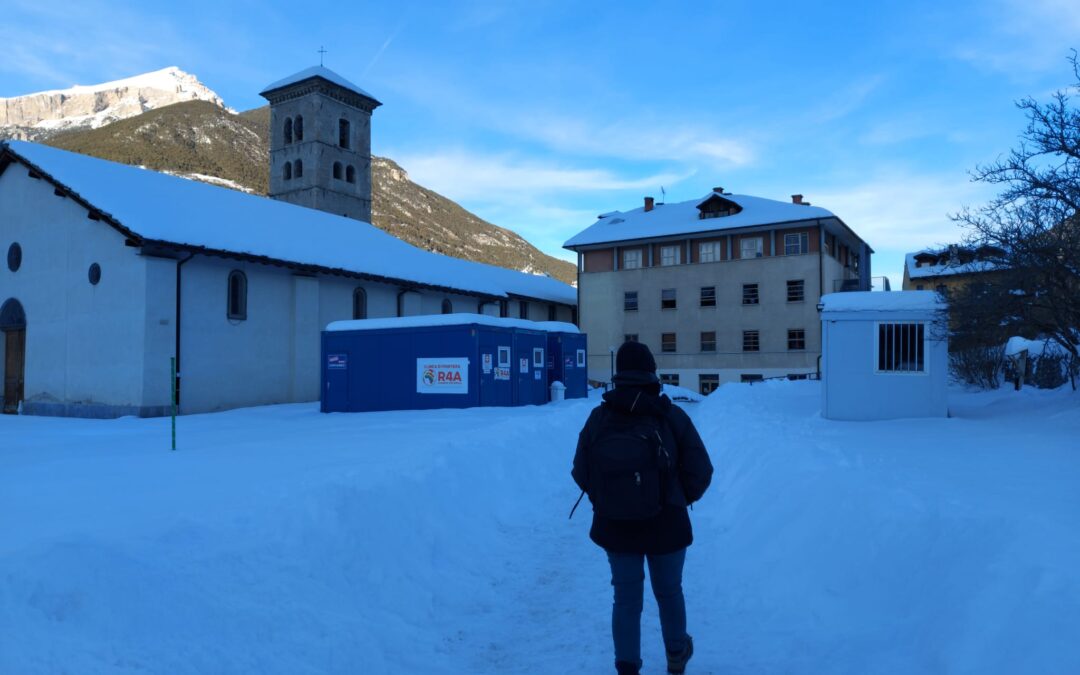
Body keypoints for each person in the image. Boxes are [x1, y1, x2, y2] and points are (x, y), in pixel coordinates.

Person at [572, 341, 713, 675]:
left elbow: (580, 470)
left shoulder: (599, 417)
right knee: (668, 592)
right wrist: (678, 497)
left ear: (618, 374)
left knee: (626, 599)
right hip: (668, 521)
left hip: (616, 525)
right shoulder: (670, 415)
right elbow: (701, 470)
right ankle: (676, 655)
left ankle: (627, 667)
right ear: (651, 371)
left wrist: (606, 499)